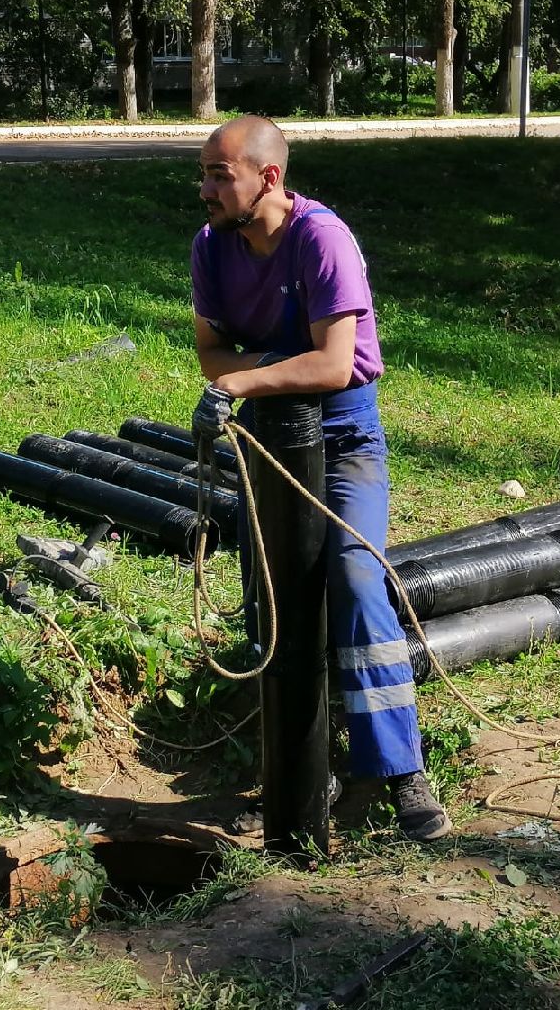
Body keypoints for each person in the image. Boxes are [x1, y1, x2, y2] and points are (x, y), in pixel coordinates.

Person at [187, 114, 450, 843]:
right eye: (204, 172)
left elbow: (333, 365)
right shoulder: (212, 247)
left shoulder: (321, 239)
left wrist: (244, 381)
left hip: (342, 435)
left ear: (267, 177)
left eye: (219, 174)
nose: (204, 188)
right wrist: (247, 384)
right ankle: (300, 765)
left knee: (357, 579)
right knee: (273, 593)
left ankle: (398, 769)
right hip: (267, 438)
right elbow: (210, 352)